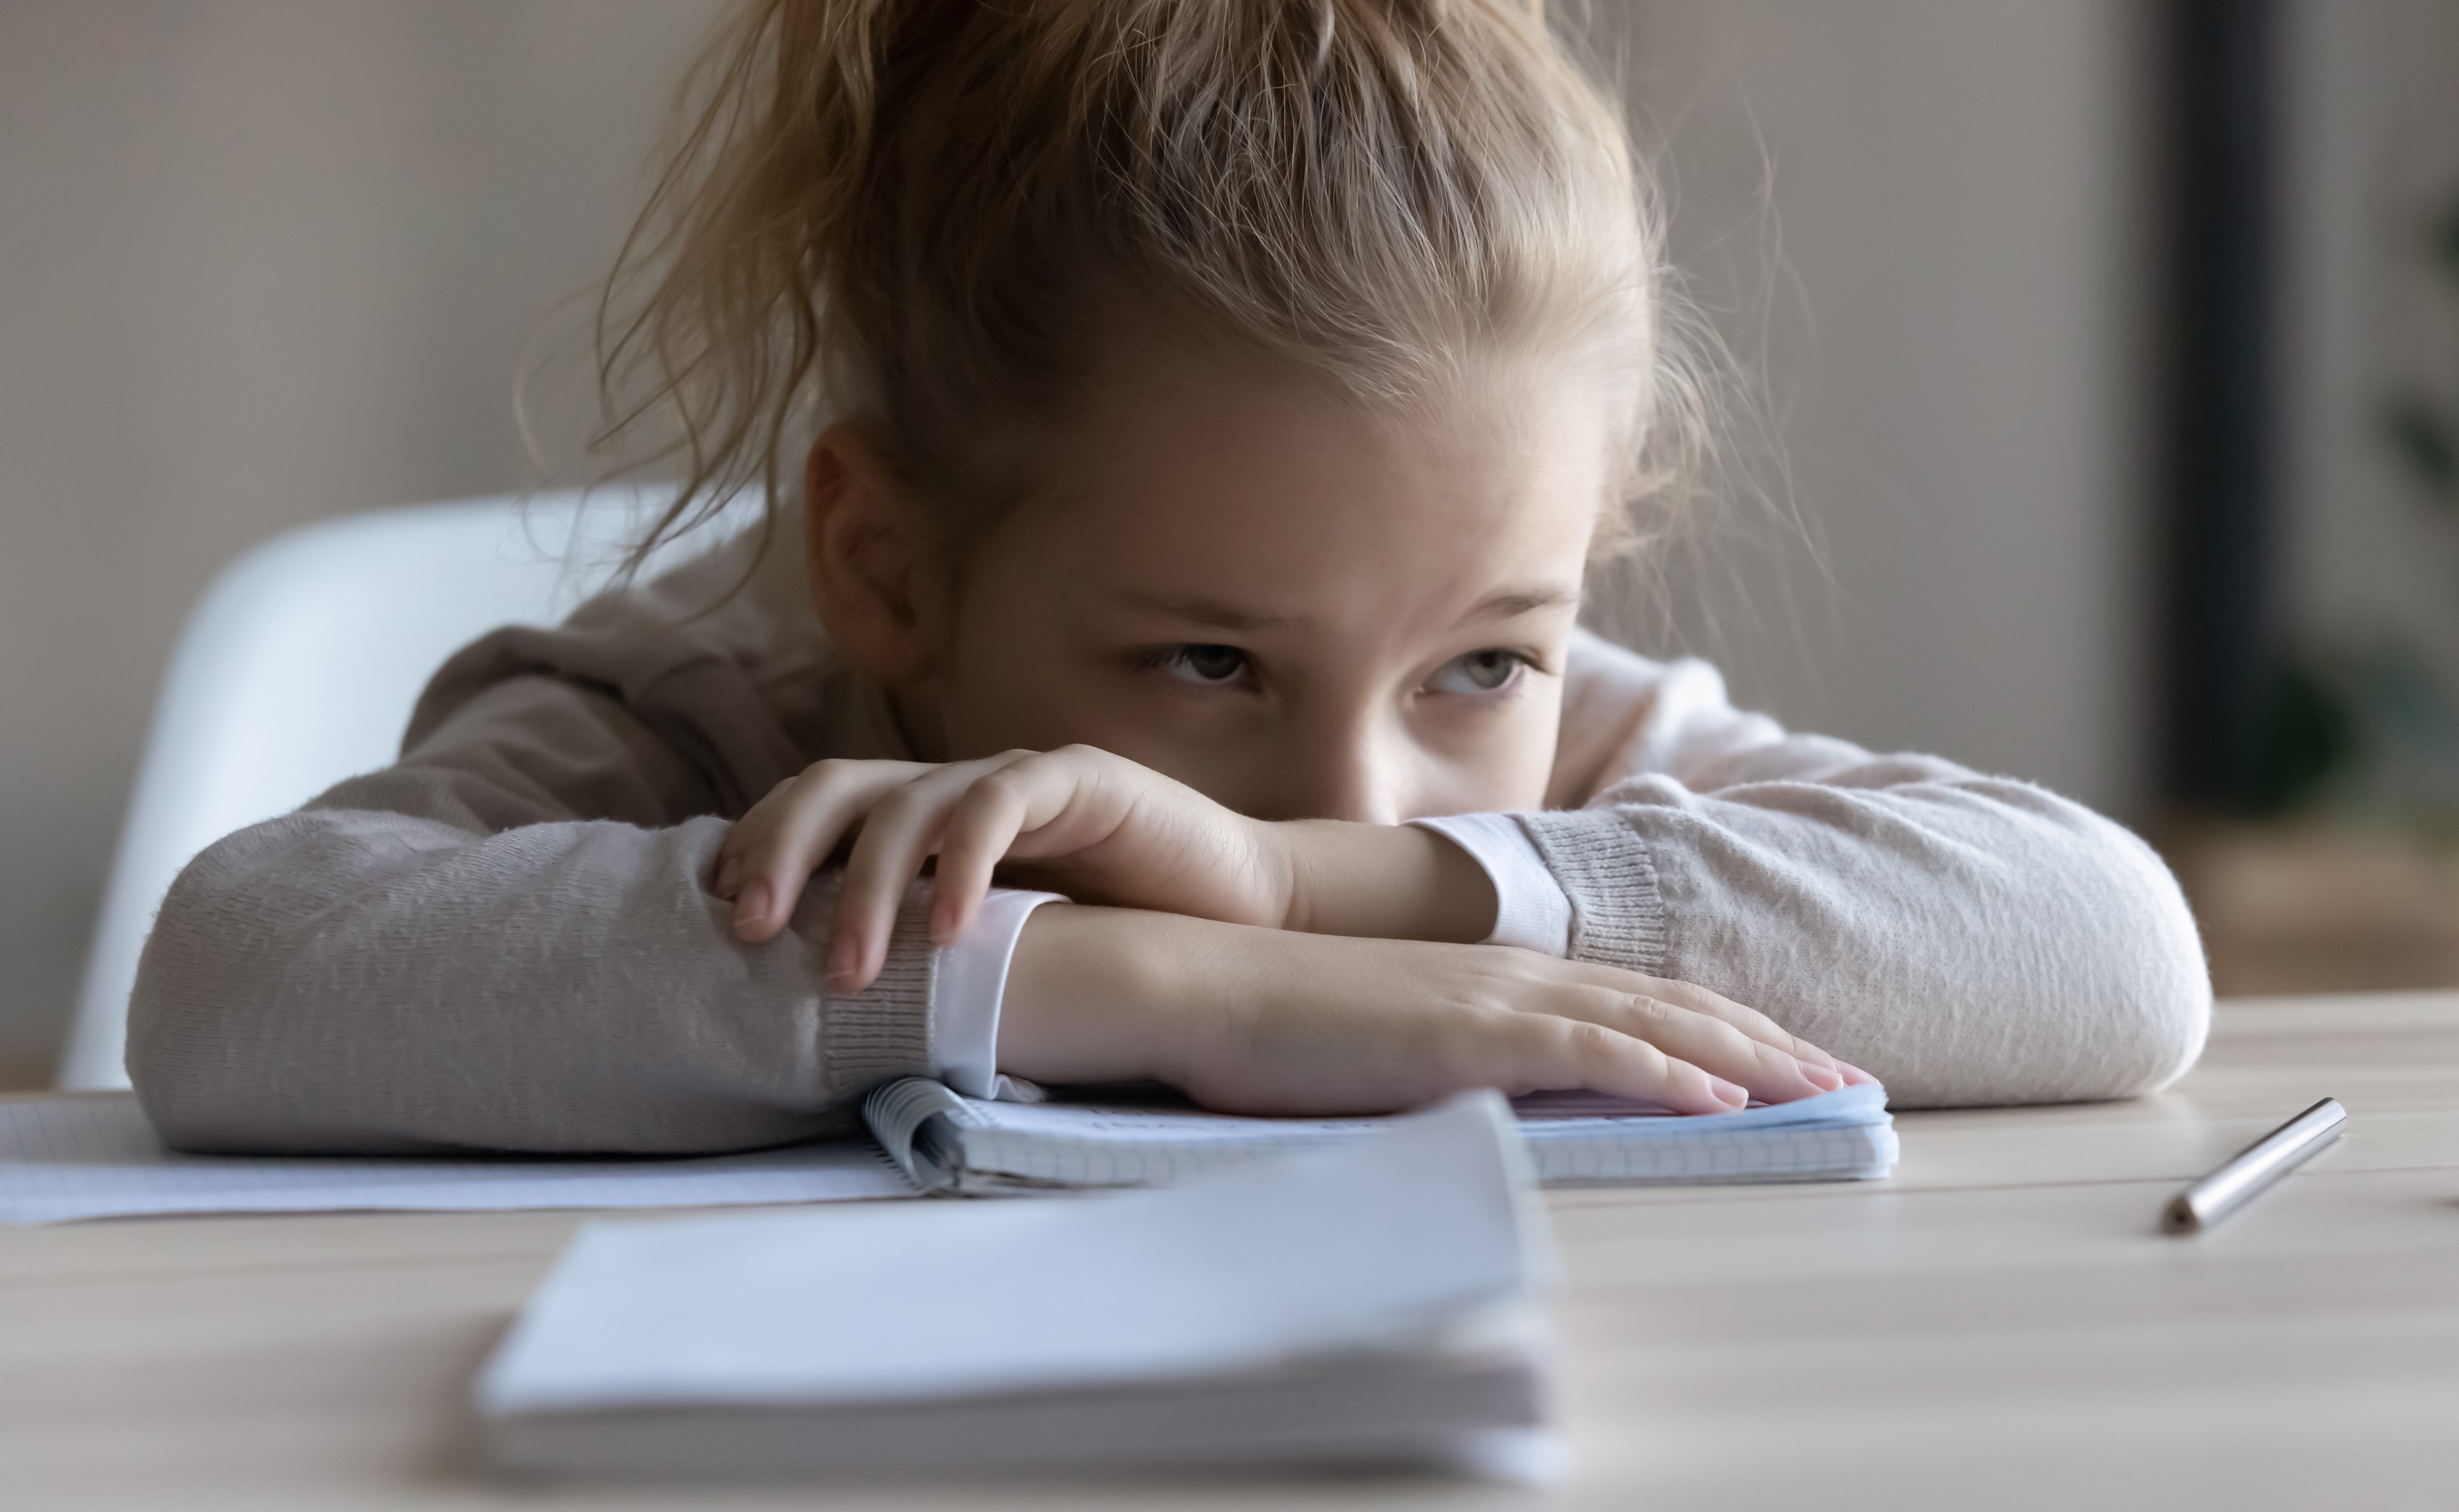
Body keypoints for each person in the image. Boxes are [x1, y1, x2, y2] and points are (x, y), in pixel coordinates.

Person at [127, 0, 2210, 1154]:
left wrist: (1314, 899)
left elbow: (2110, 950)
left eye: (1485, 655)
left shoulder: (1544, 758)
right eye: (1212, 658)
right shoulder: (709, 713)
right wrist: (1188, 983)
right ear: (889, 569)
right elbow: (241, 970)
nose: (1364, 785)